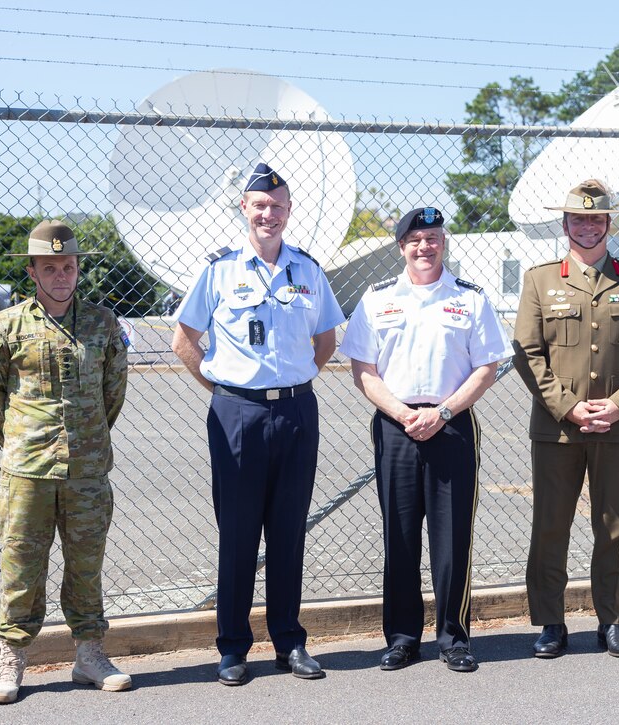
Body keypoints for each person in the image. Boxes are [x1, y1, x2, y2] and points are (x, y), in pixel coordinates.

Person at [172, 162, 345, 686]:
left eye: (278, 205)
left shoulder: (308, 270)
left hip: (295, 411)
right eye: (259, 205)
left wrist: (293, 385)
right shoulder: (219, 270)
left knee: (289, 533)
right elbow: (184, 341)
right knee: (239, 534)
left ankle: (290, 642)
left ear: (289, 212)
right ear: (244, 210)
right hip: (237, 415)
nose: (268, 213)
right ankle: (232, 648)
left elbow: (327, 340)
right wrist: (226, 393)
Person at [340, 207, 512, 673]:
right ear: (401, 247)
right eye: (415, 239)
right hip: (395, 426)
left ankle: (454, 638)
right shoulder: (376, 300)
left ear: (443, 243)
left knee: (452, 537)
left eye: (432, 237)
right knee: (398, 536)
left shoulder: (470, 299)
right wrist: (400, 412)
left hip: (452, 424)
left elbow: (487, 366)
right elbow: (363, 370)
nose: (424, 247)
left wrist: (443, 411)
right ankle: (401, 638)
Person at [0, 219, 131, 704]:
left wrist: (87, 440)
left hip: (87, 470)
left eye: (68, 266)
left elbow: (114, 391)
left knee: (86, 565)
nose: (61, 274)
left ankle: (89, 655)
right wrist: (22, 440)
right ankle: (12, 657)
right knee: (22, 565)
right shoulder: (7, 325)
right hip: (28, 472)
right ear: (32, 271)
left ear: (76, 268)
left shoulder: (102, 323)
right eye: (50, 267)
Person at [513, 180, 619, 659]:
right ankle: (551, 623)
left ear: (608, 225)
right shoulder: (540, 280)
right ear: (564, 225)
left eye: (595, 219)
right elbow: (527, 354)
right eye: (578, 219)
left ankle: (612, 621)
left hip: (617, 428)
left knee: (615, 527)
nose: (587, 226)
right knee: (551, 526)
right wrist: (567, 405)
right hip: (558, 428)